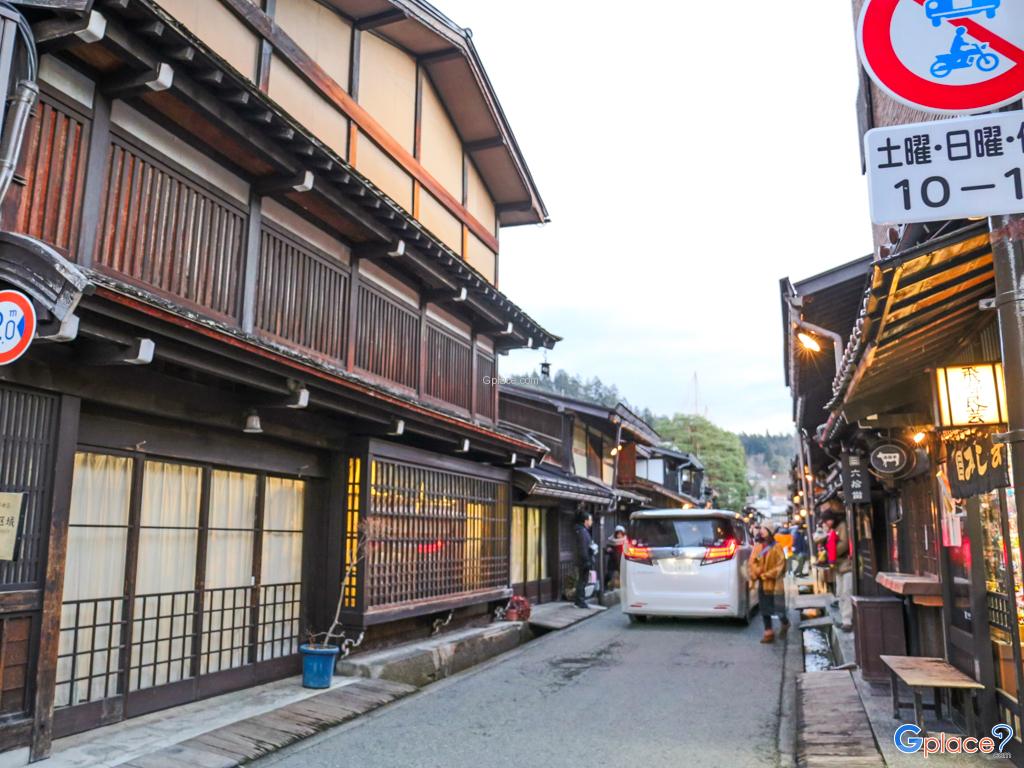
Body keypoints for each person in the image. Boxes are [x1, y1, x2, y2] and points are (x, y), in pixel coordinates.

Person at [749, 520, 790, 643]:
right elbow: (752, 562)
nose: (761, 530)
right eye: (761, 528)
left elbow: (781, 566)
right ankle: (768, 632)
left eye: (764, 528)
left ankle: (785, 622)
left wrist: (767, 575)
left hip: (775, 584)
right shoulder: (757, 546)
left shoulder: (777, 547)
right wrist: (757, 572)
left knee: (778, 608)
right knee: (764, 607)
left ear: (770, 532)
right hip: (762, 582)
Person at [825, 511, 853, 631]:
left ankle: (847, 621)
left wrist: (831, 554)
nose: (826, 523)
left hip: (847, 565)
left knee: (846, 593)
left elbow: (844, 544)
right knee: (841, 593)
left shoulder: (841, 526)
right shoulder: (834, 529)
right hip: (839, 567)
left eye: (827, 520)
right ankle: (844, 619)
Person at [573, 512, 595, 608]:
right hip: (583, 561)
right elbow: (582, 548)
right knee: (582, 581)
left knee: (582, 580)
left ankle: (579, 601)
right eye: (590, 520)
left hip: (583, 560)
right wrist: (587, 561)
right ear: (586, 521)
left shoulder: (582, 531)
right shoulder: (582, 532)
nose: (591, 522)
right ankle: (580, 601)